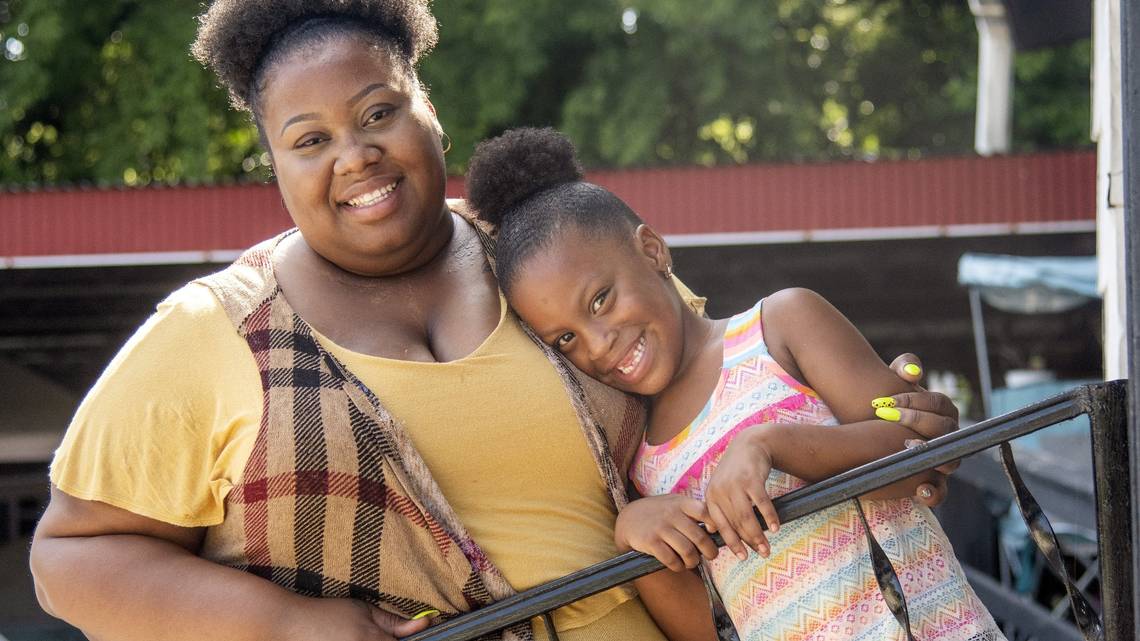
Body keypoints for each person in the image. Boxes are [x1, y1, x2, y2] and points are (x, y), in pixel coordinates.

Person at [28, 3, 958, 641]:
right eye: (309, 139)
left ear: (430, 113)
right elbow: (70, 558)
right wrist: (285, 624)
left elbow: (722, 386)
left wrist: (876, 403)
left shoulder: (542, 262)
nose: (354, 156)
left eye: (379, 112)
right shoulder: (215, 332)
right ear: (272, 162)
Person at [464, 127, 1002, 641]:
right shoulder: (644, 466)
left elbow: (916, 455)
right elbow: (710, 629)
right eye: (565, 340)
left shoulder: (782, 326)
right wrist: (632, 538)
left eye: (601, 300)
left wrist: (770, 443)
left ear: (652, 251)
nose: (597, 344)